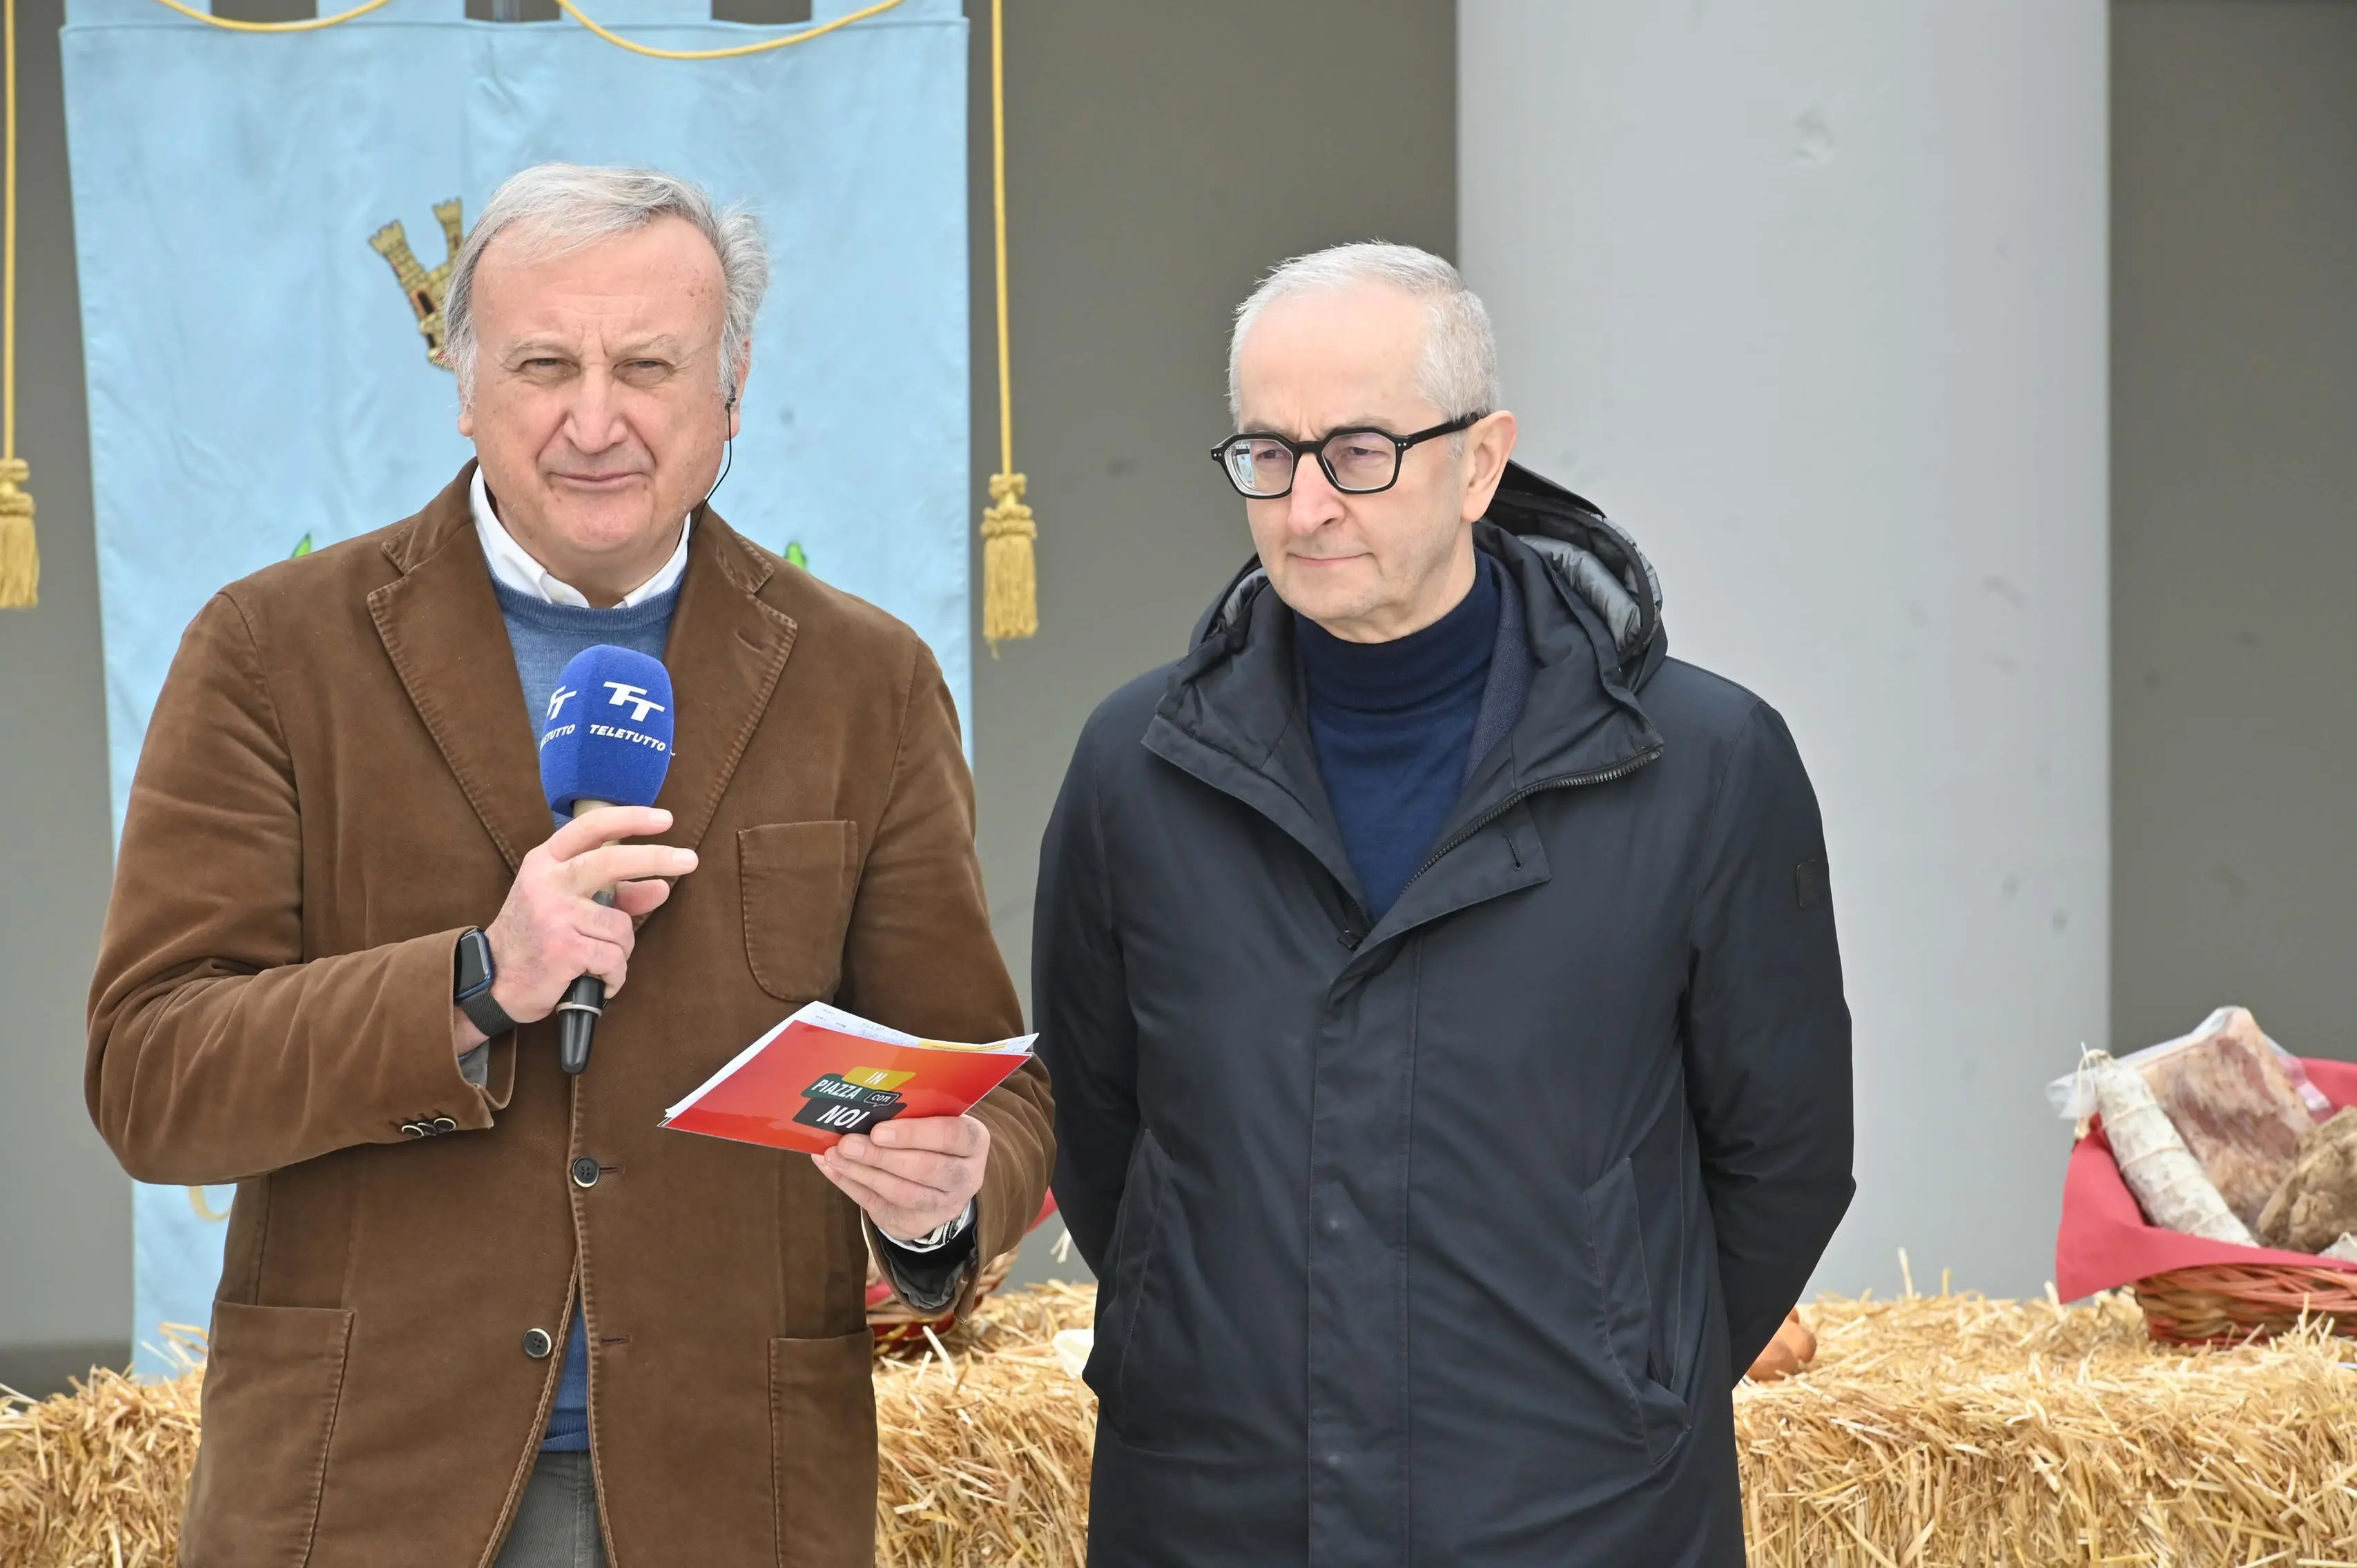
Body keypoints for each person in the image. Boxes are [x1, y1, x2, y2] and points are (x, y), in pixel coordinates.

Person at [85, 163, 1051, 1568]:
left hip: (739, 1494)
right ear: (463, 384)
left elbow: (986, 1077)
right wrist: (472, 985)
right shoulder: (271, 650)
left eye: (647, 366)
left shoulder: (866, 681)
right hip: (363, 1491)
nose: (594, 419)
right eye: (545, 363)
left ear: (729, 397)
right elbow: (151, 1076)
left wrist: (948, 1193)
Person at [1033, 243, 1853, 1567]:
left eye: (1359, 451)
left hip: (1580, 1515)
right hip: (1218, 1510)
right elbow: (1099, 1125)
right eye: (1266, 453)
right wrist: (1203, 1349)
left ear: (1479, 462)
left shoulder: (1701, 761)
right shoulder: (1136, 764)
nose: (1305, 505)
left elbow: (1785, 1152)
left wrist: (1627, 1376)